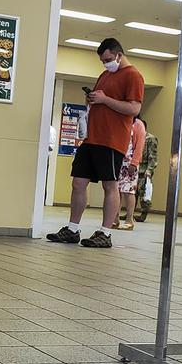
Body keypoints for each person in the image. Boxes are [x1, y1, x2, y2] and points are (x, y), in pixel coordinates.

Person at [47, 38, 144, 248]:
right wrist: (92, 99)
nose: (105, 63)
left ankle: (105, 232)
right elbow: (100, 100)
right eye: (102, 60)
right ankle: (73, 228)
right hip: (92, 138)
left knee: (110, 185)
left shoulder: (133, 75)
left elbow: (134, 109)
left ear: (119, 55)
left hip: (111, 141)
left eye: (108, 59)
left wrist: (105, 100)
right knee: (78, 183)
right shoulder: (105, 74)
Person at [115, 117, 146, 231]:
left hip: (130, 161)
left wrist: (134, 162)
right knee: (116, 190)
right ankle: (115, 218)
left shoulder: (138, 125)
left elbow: (139, 146)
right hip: (118, 159)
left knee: (129, 191)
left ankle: (129, 220)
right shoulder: (120, 120)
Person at [136, 121, 159, 222]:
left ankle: (144, 213)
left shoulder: (150, 139)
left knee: (143, 191)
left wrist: (149, 170)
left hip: (144, 168)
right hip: (136, 167)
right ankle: (130, 212)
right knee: (133, 192)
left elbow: (153, 156)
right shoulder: (136, 137)